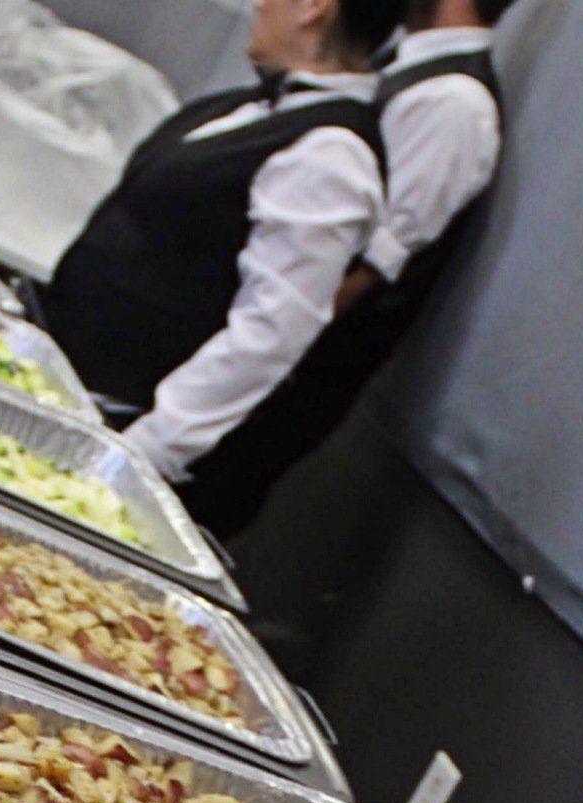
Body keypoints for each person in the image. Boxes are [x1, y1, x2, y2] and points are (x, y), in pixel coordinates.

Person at [41, 0, 406, 497]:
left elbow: (270, 333)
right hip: (58, 374)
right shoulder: (254, 104)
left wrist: (140, 454)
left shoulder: (332, 154)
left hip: (110, 418)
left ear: (315, 8)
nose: (258, 3)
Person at [179, 0, 510, 538]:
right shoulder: (405, 67)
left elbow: (360, 270)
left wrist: (247, 356)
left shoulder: (454, 104)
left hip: (276, 384)